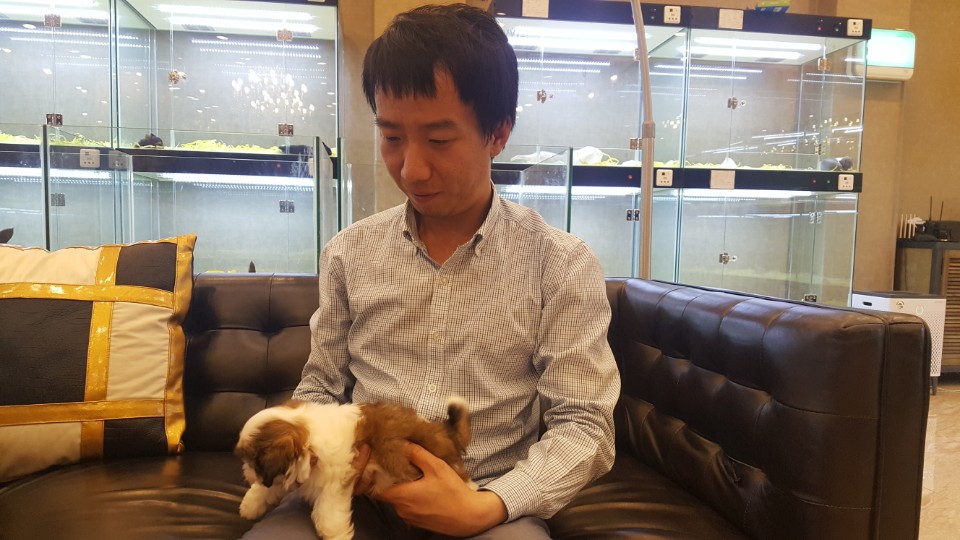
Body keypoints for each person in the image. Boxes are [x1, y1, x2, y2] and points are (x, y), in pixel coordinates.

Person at [242, 4, 620, 539]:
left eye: (439, 140)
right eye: (392, 137)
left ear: (498, 133)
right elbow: (321, 386)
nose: (411, 168)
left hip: (485, 501)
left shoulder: (560, 263)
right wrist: (313, 445)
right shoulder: (349, 252)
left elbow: (585, 425)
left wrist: (489, 505)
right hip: (358, 495)